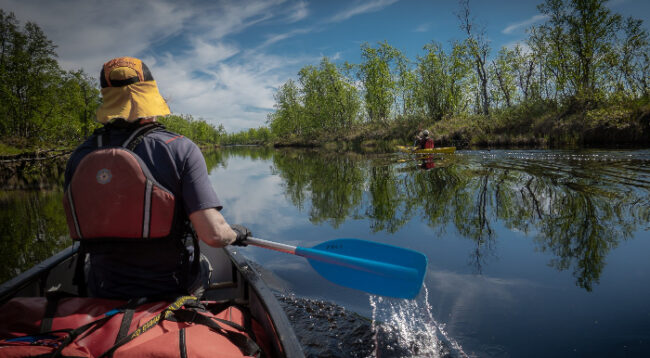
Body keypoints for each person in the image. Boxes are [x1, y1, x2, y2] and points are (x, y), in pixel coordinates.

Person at [63, 56, 250, 300]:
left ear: (108, 101)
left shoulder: (80, 155)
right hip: (169, 290)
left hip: (101, 288)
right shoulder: (179, 148)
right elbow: (213, 235)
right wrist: (235, 234)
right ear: (150, 98)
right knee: (203, 263)